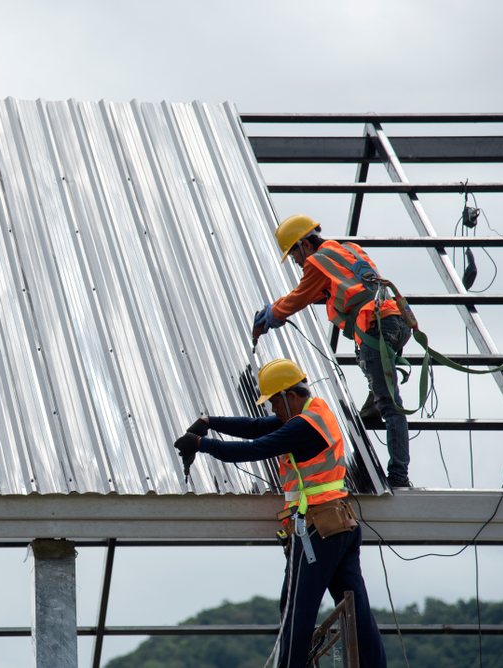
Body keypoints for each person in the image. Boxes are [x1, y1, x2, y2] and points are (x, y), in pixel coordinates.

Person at [175, 359, 388, 668]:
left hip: (317, 528)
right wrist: (209, 421)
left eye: (274, 400)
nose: (272, 408)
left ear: (290, 395)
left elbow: (253, 448)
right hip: (339, 524)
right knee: (356, 613)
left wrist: (200, 444)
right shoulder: (315, 413)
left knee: (295, 613)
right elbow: (255, 427)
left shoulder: (302, 426)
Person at [252, 214, 412, 488]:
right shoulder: (346, 249)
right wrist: (276, 307)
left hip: (375, 328)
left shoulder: (316, 262)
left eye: (295, 255)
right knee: (380, 389)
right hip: (397, 321)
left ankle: (398, 476)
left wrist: (273, 314)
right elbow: (316, 291)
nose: (298, 262)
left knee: (391, 406)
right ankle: (373, 402)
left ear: (304, 244)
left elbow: (301, 296)